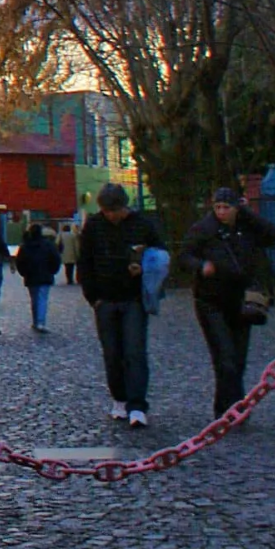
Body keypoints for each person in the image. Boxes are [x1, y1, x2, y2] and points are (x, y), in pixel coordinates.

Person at [181, 187, 275, 420]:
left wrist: (247, 214)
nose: (222, 212)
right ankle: (224, 410)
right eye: (218, 207)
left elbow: (273, 235)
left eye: (227, 207)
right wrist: (201, 266)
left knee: (238, 357)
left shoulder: (247, 227)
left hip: (241, 300)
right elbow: (185, 256)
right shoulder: (204, 229)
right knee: (224, 357)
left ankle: (235, 407)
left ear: (237, 207)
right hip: (210, 301)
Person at [78, 182, 167, 428]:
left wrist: (145, 269)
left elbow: (161, 255)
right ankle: (119, 398)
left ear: (123, 207)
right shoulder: (94, 226)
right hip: (104, 300)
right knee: (112, 354)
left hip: (134, 299)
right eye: (106, 211)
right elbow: (84, 262)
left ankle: (137, 405)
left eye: (114, 210)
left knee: (135, 352)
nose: (110, 215)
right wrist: (92, 298)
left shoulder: (143, 224)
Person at [15, 223, 62, 333]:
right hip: (45, 275)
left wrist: (23, 273)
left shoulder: (25, 246)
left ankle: (36, 321)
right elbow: (56, 259)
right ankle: (40, 322)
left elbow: (19, 262)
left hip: (31, 276)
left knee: (34, 299)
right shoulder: (48, 245)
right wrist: (52, 271)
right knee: (42, 298)